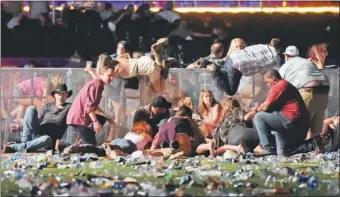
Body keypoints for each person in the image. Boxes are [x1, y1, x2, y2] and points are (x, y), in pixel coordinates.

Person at [245, 69, 310, 156]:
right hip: (300, 124)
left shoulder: (278, 86)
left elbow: (265, 107)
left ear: (274, 79)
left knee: (259, 117)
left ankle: (268, 148)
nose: (267, 85)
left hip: (292, 119)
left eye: (267, 82)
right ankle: (311, 146)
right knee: (282, 154)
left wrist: (254, 111)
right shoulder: (286, 85)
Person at [56, 61, 118, 151]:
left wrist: (90, 70)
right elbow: (89, 108)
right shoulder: (97, 85)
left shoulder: (97, 83)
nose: (112, 78)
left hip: (79, 118)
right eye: (109, 75)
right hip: (79, 119)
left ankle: (71, 143)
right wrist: (95, 122)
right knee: (92, 148)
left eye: (113, 76)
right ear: (102, 73)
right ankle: (66, 145)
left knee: (102, 118)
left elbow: (93, 106)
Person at [3, 84, 72, 153]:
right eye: (59, 94)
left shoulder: (69, 107)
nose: (61, 96)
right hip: (37, 133)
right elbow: (34, 119)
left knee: (46, 139)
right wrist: (19, 124)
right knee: (31, 108)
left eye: (63, 94)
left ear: (67, 95)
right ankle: (26, 143)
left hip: (48, 139)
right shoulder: (48, 106)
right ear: (55, 95)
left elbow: (76, 116)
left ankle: (15, 147)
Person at [279, 45, 330, 139]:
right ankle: (315, 149)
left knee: (299, 124)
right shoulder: (306, 62)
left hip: (307, 90)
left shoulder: (284, 67)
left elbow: (279, 89)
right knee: (315, 129)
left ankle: (299, 149)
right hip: (324, 90)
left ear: (286, 56)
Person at [87, 38, 171, 93]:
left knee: (159, 90)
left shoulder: (114, 70)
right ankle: (157, 56)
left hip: (147, 68)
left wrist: (91, 71)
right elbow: (126, 54)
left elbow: (101, 81)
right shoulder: (118, 59)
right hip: (143, 60)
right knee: (158, 69)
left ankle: (164, 69)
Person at [208, 43, 280, 96]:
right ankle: (214, 71)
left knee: (226, 73)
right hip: (237, 67)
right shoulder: (275, 59)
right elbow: (266, 72)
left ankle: (212, 65)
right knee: (231, 92)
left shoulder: (263, 46)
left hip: (231, 58)